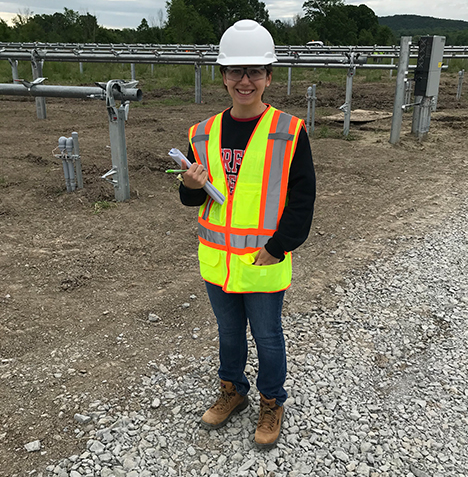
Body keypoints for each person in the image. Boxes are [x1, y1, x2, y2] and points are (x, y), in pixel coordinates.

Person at [178, 19, 316, 449]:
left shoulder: (289, 130)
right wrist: (190, 185)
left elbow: (302, 201)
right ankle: (232, 391)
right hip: (217, 260)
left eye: (255, 71)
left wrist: (277, 249)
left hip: (263, 259)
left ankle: (272, 401)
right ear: (223, 76)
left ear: (269, 77)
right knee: (229, 334)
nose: (245, 80)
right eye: (235, 70)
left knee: (269, 336)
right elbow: (191, 200)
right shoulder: (201, 133)